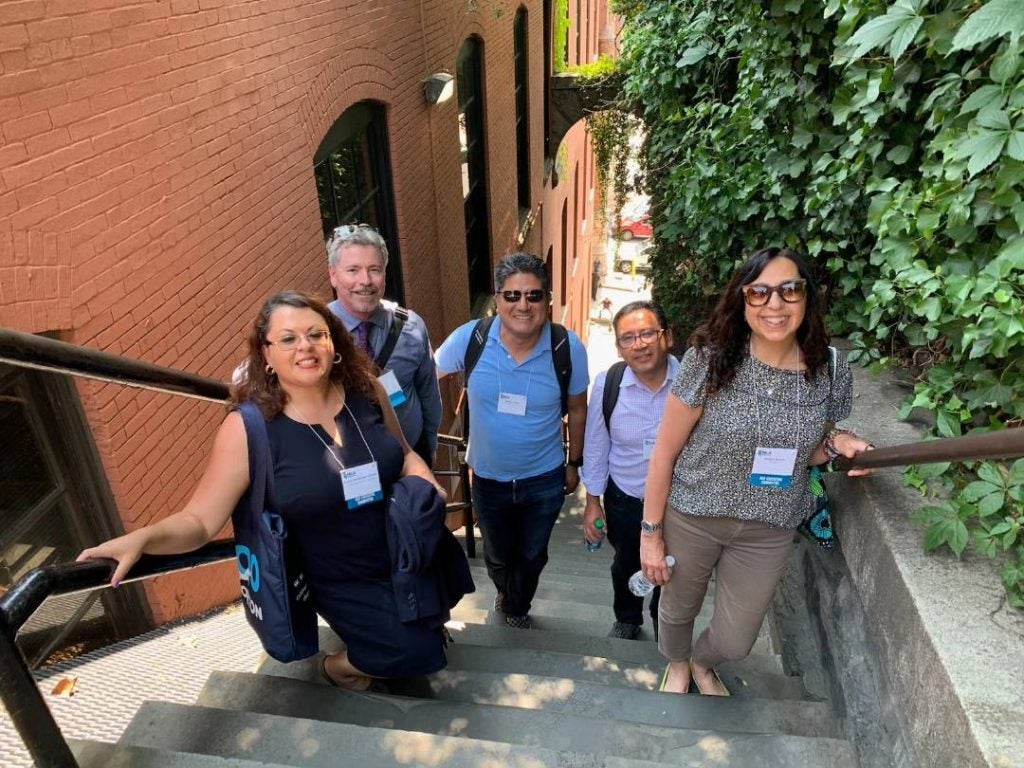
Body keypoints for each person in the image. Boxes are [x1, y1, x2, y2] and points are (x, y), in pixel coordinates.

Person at [78, 291, 454, 690]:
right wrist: (144, 538)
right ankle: (337, 667)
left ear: (334, 344)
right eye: (288, 339)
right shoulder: (248, 430)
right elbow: (200, 521)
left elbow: (405, 453)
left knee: (437, 615)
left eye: (316, 334)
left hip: (403, 545)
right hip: (337, 574)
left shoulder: (368, 392)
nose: (305, 347)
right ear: (266, 355)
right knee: (414, 654)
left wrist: (424, 482)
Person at [639, 247, 873, 695]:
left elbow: (811, 448)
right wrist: (650, 534)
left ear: (807, 297)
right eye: (759, 292)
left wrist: (837, 442)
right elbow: (664, 452)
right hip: (695, 514)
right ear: (742, 299)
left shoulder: (831, 368)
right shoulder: (711, 359)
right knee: (677, 608)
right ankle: (679, 665)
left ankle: (706, 662)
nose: (775, 305)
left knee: (737, 637)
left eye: (790, 290)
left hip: (769, 526)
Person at [435, 253, 589, 629]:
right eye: (513, 295)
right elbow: (424, 377)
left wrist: (575, 463)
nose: (523, 305)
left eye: (534, 296)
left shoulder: (566, 348)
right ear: (497, 299)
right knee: (499, 554)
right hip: (488, 478)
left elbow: (578, 409)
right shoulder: (470, 339)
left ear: (547, 300)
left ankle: (517, 605)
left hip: (544, 479)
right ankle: (506, 590)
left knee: (534, 554)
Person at [582, 300, 678, 641]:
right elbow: (596, 445)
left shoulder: (691, 384)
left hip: (677, 503)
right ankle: (628, 618)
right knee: (626, 563)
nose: (639, 344)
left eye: (647, 333)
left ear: (667, 336)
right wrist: (592, 502)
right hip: (625, 499)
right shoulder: (609, 384)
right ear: (619, 347)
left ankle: (663, 624)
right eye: (628, 338)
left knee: (671, 570)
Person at [327, 223, 442, 468]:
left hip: (409, 459)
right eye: (353, 270)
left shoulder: (411, 326)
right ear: (333, 275)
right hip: (351, 470)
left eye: (374, 270)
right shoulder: (316, 333)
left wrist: (428, 449)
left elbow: (429, 395)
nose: (365, 280)